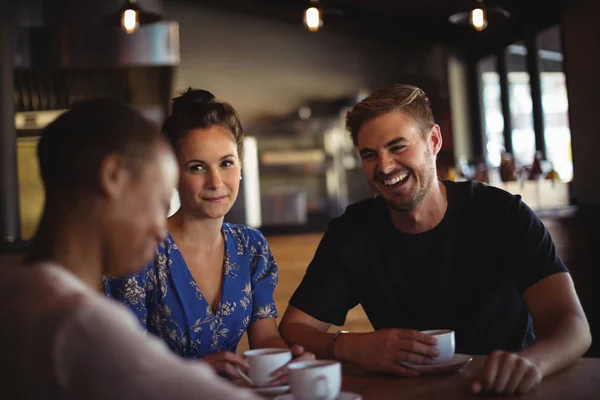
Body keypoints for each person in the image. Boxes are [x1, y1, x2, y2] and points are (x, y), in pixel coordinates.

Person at [279, 84, 591, 395]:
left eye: (398, 146)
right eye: (370, 155)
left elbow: (572, 324)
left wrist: (532, 363)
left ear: (434, 141)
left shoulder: (503, 214)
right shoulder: (353, 231)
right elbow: (294, 329)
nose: (385, 167)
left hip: (506, 391)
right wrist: (350, 345)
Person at [0, 99, 260, 399]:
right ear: (113, 177)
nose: (160, 230)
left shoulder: (16, 292)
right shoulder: (83, 326)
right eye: (160, 201)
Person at [104, 89, 312, 384]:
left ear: (240, 167)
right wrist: (190, 373)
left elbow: (265, 338)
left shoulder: (252, 248)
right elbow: (120, 364)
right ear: (173, 174)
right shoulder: (138, 250)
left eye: (226, 163)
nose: (215, 182)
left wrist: (290, 362)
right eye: (197, 167)